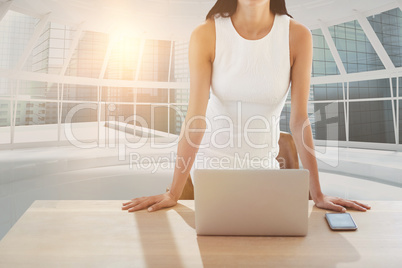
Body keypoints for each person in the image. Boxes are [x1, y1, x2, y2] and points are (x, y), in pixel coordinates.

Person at [122, 0, 371, 213]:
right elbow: (195, 120)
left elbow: (299, 121)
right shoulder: (206, 34)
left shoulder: (298, 36)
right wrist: (173, 194)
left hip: (264, 171)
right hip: (211, 171)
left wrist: (317, 195)